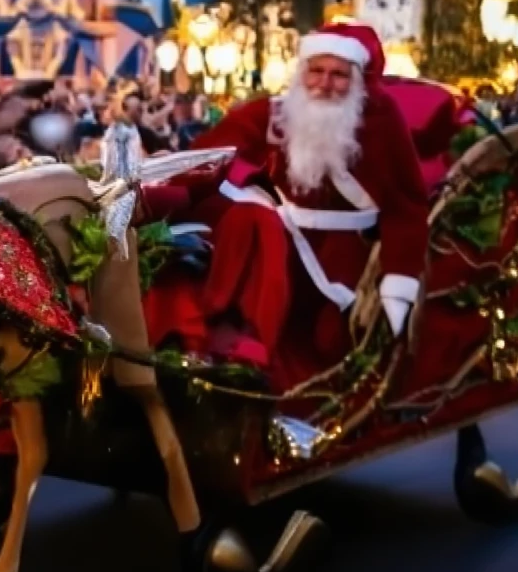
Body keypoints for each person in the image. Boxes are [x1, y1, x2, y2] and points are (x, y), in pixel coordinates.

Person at [140, 23, 430, 390]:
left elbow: (407, 205)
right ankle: (242, 341)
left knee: (327, 342)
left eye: (338, 75)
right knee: (252, 217)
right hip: (282, 248)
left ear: (358, 80)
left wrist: (398, 280)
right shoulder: (278, 114)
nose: (324, 83)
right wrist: (154, 183)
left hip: (341, 262)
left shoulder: (382, 121)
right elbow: (207, 157)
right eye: (316, 70)